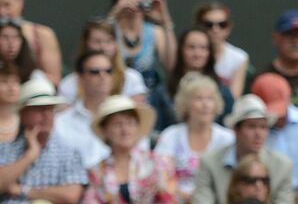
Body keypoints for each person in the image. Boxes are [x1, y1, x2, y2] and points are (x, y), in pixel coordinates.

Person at [190, 95, 294, 204]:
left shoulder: (282, 166)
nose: (258, 134)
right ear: (236, 130)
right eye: (252, 127)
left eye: (263, 127)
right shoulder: (210, 162)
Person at [0, 75, 87, 204]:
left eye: (50, 109)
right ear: (23, 114)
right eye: (38, 109)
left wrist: (22, 190)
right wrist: (29, 156)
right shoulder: (5, 149)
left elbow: (71, 195)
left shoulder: (69, 153)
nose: (46, 115)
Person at [82, 95, 177, 204]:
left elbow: (168, 200)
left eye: (130, 123)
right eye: (117, 124)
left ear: (137, 127)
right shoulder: (97, 171)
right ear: (105, 130)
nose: (125, 130)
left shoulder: (158, 162)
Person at [156, 75, 235, 203]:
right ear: (186, 104)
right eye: (199, 98)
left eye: (210, 99)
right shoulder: (170, 136)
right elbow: (161, 176)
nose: (205, 104)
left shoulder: (227, 138)